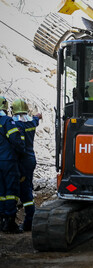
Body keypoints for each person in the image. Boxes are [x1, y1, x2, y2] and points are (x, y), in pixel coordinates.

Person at [11, 99, 41, 231]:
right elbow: (36, 120)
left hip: (23, 161)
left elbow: (20, 146)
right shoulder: (31, 122)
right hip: (31, 159)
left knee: (24, 190)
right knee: (27, 186)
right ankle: (28, 219)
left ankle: (28, 221)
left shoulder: (17, 124)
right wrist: (37, 116)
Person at [0, 96, 26, 233]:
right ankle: (10, 223)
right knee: (11, 191)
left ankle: (1, 221)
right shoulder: (7, 121)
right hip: (8, 161)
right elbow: (16, 140)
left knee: (1, 192)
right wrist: (22, 151)